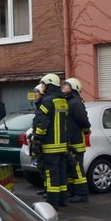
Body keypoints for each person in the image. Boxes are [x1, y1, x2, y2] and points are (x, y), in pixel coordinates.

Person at [32, 73, 70, 207]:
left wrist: (37, 138)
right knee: (61, 172)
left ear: (49, 85)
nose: (42, 87)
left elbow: (43, 123)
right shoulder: (63, 100)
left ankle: (52, 201)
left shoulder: (47, 101)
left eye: (43, 84)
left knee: (51, 173)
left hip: (50, 144)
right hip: (62, 144)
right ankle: (63, 200)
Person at [62, 77, 91, 203]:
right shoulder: (68, 101)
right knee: (71, 168)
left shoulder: (75, 102)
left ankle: (82, 194)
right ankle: (73, 192)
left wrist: (85, 130)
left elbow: (83, 120)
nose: (63, 87)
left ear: (73, 87)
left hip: (76, 141)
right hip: (70, 139)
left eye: (66, 85)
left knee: (77, 167)